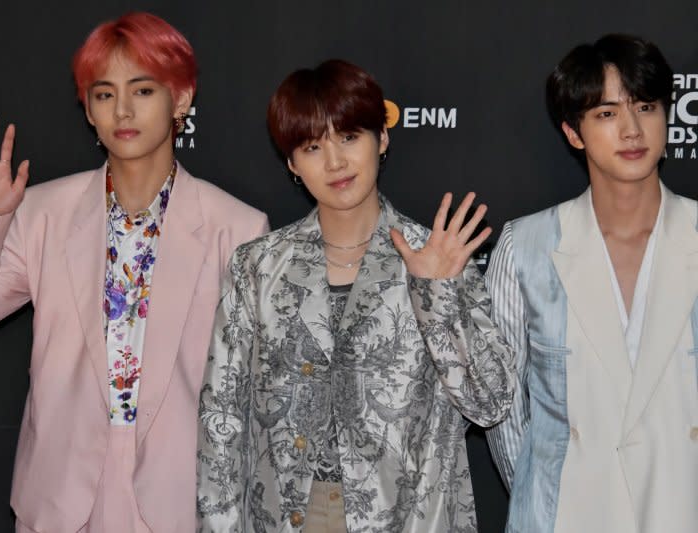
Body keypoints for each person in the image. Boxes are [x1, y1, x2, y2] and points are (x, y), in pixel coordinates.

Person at [0, 12, 267, 533]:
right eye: (105, 93)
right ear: (88, 109)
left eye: (143, 90)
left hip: (178, 499)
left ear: (181, 99)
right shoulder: (43, 212)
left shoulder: (237, 228)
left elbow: (256, 390)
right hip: (61, 495)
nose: (123, 110)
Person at [196, 59, 514, 533]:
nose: (335, 162)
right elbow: (221, 420)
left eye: (349, 137)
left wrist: (436, 294)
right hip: (287, 517)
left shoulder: (439, 257)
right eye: (312, 146)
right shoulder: (257, 266)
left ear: (381, 139)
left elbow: (489, 402)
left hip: (409, 516)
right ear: (292, 163)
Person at [485, 34, 697, 533]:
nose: (631, 129)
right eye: (605, 113)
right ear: (573, 133)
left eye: (645, 107)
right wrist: (548, 489)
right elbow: (504, 409)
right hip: (569, 514)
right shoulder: (525, 247)